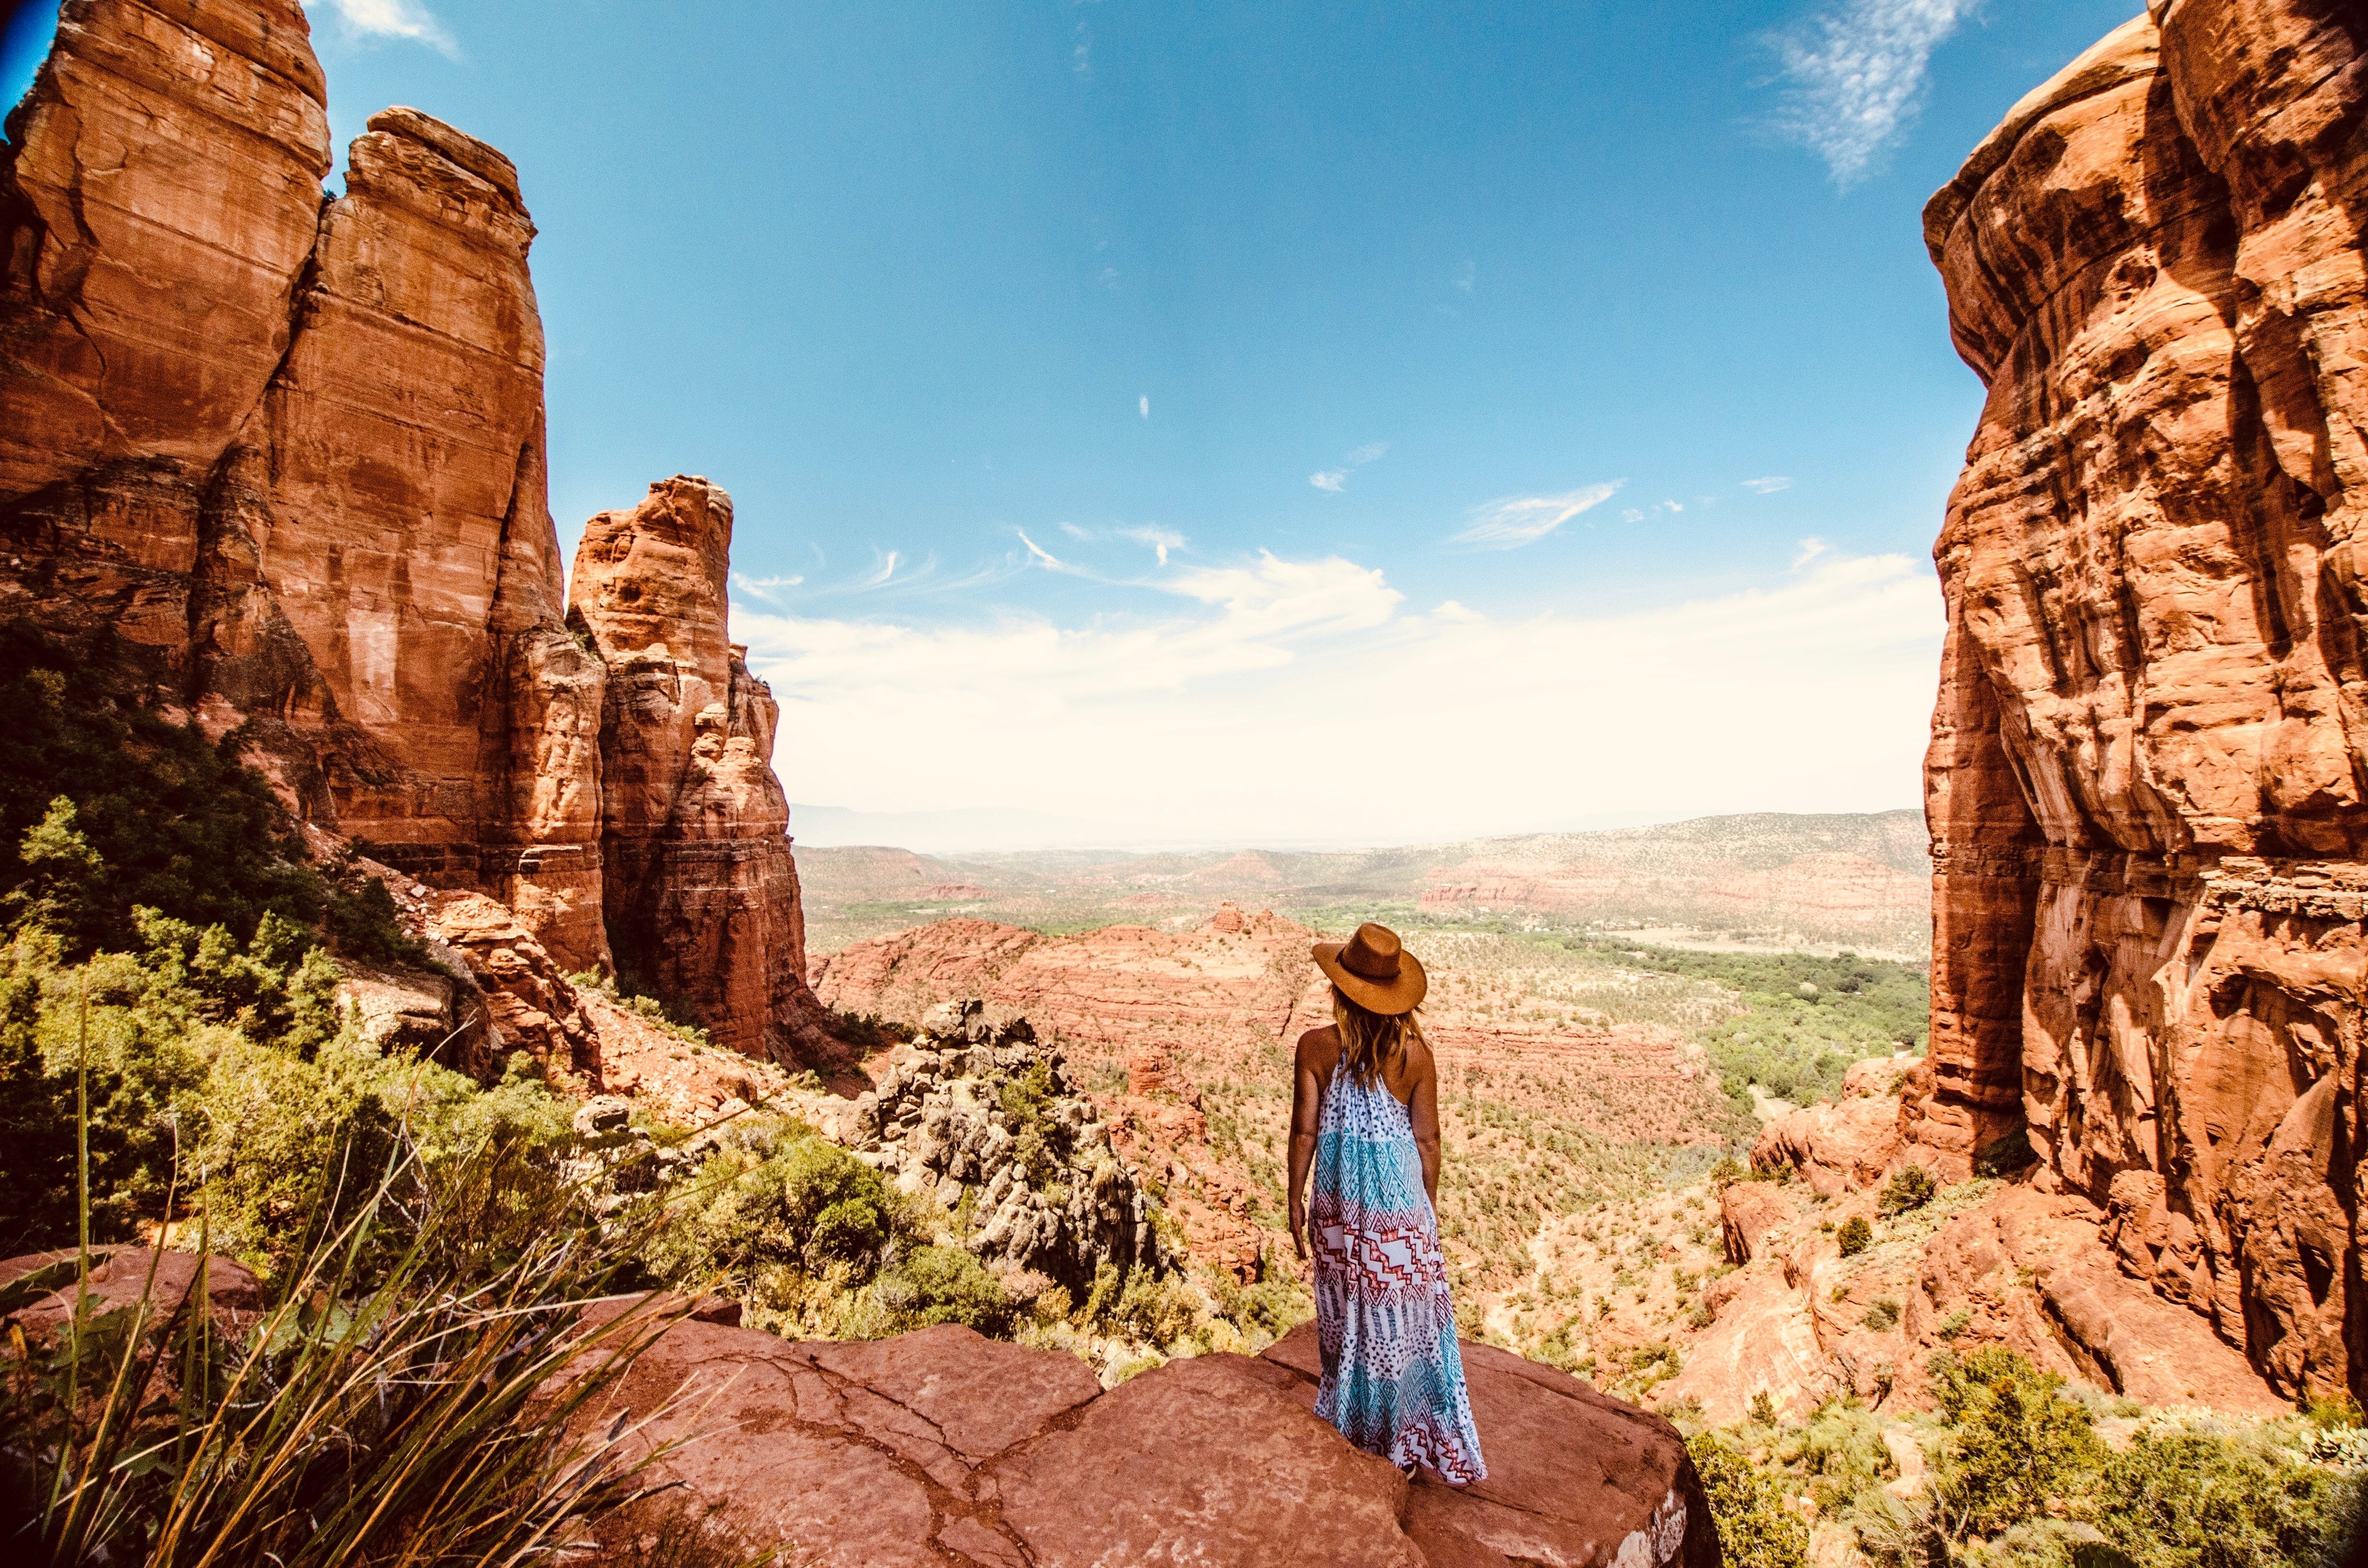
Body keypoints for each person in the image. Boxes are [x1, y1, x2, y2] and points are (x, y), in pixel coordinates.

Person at [1287, 921, 1486, 1484]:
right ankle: (1400, 1434)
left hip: (1337, 1196)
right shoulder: (1416, 1055)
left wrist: (1293, 1197)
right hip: (1399, 1203)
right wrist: (1427, 1206)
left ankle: (1352, 1424)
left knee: (1345, 1306)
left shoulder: (1315, 1047)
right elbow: (1427, 1140)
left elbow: (1303, 1132)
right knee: (1398, 1315)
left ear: (1340, 987)